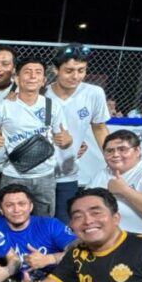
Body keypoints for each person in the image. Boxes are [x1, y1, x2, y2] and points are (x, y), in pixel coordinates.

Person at [0, 55, 72, 217]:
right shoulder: (5, 107)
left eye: (38, 72)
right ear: (17, 78)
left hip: (46, 176)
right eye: (27, 72)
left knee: (44, 223)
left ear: (44, 80)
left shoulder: (53, 106)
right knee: (11, 222)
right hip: (13, 176)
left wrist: (67, 141)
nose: (32, 76)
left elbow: (65, 140)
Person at [46, 44, 110, 224]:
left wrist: (111, 157)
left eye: (81, 70)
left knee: (66, 226)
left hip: (68, 173)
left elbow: (99, 128)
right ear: (55, 69)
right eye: (69, 71)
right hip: (37, 173)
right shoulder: (41, 93)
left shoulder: (94, 93)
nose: (76, 76)